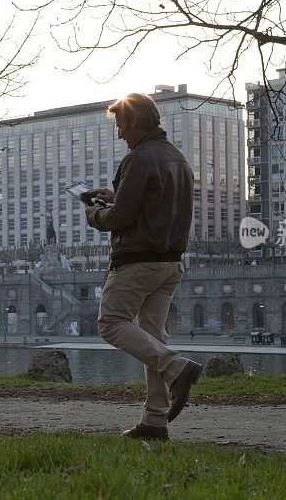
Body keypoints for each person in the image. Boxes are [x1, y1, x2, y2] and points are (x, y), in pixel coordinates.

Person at [82, 92, 202, 442]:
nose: (119, 133)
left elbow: (120, 218)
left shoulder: (140, 158)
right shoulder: (177, 159)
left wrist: (93, 213)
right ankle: (154, 419)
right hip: (170, 263)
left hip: (138, 260)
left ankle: (176, 368)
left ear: (136, 121)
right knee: (151, 335)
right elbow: (151, 206)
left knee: (110, 323)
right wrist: (115, 194)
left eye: (121, 125)